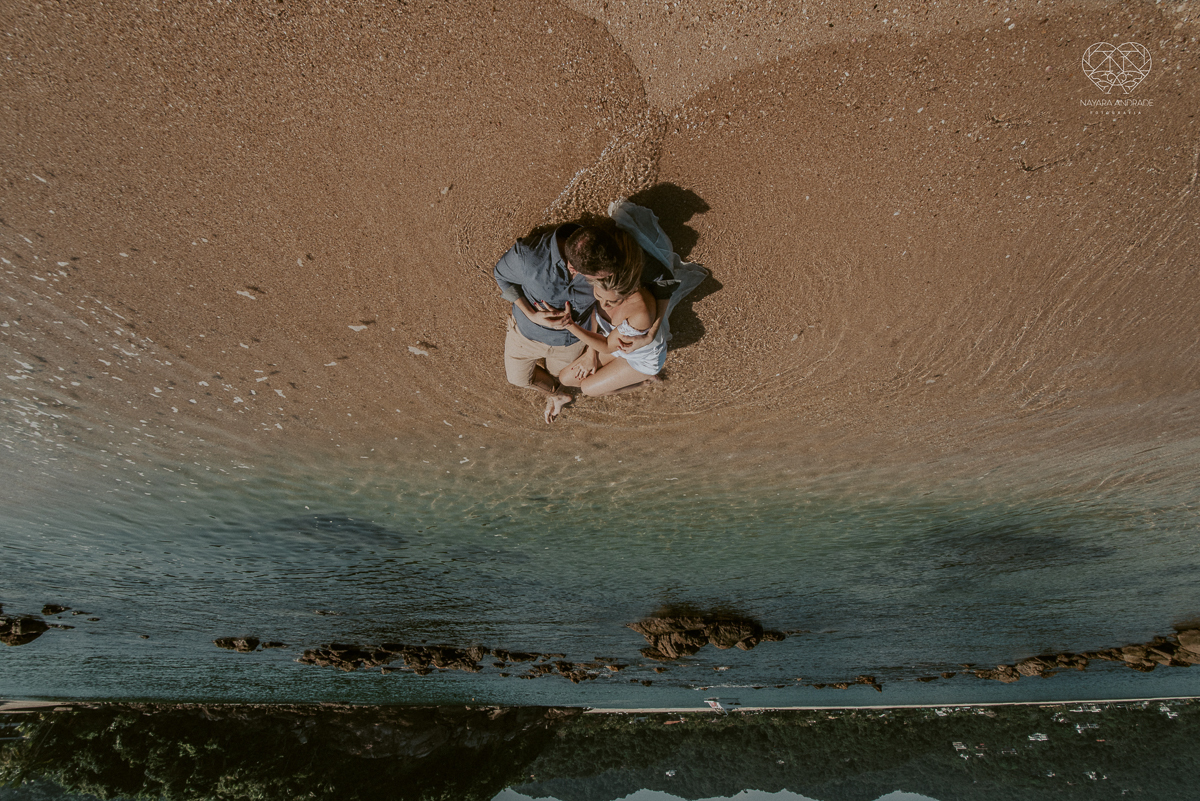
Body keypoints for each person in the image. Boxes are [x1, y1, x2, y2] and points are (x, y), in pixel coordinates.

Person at [493, 219, 676, 422]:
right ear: (574, 269)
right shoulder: (527, 258)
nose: (608, 281)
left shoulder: (613, 259)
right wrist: (530, 313)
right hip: (527, 333)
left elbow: (665, 281)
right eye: (599, 280)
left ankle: (623, 379)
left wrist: (651, 334)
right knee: (518, 379)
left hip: (572, 341)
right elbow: (500, 275)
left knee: (564, 376)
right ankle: (560, 394)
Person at [558, 230, 666, 397]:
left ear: (629, 292)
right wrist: (590, 354)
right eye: (599, 297)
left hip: (639, 359)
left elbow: (608, 346)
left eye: (613, 302)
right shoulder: (603, 285)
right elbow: (596, 318)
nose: (604, 304)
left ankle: (642, 381)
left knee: (588, 389)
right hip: (615, 345)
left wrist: (569, 325)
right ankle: (621, 374)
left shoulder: (640, 312)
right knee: (565, 378)